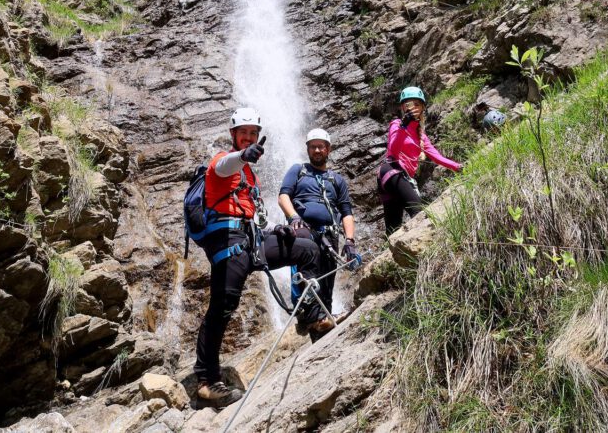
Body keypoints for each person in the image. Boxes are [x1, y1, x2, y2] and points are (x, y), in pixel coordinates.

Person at [194, 107, 333, 408]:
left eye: (252, 133)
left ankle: (311, 317)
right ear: (234, 135)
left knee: (307, 246)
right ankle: (206, 381)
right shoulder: (223, 161)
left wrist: (281, 229)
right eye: (243, 133)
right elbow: (226, 165)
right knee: (223, 306)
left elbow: (257, 218)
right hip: (228, 242)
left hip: (252, 240)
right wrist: (244, 155)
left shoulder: (249, 177)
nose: (248, 137)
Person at [278, 128, 361, 340]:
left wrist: (349, 240)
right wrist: (294, 218)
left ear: (328, 149)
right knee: (307, 276)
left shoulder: (337, 180)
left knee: (326, 286)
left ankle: (322, 335)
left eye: (321, 146)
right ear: (307, 149)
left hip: (330, 236)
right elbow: (283, 196)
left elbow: (346, 212)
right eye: (313, 146)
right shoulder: (298, 170)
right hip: (303, 231)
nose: (317, 149)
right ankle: (307, 315)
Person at [378, 87, 462, 235]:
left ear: (423, 107)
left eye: (417, 104)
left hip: (393, 178)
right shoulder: (397, 124)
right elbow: (393, 150)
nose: (414, 108)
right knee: (418, 211)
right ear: (403, 108)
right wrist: (404, 125)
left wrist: (457, 167)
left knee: (393, 227)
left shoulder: (421, 135)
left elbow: (436, 156)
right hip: (392, 169)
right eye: (409, 104)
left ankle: (392, 254)